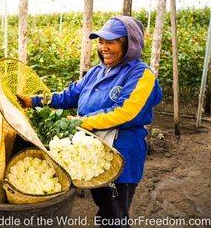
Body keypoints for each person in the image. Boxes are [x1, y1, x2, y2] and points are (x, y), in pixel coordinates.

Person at [18, 16, 162, 227]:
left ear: (129, 44)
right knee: (103, 201)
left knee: (115, 212)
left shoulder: (141, 74)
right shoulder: (97, 71)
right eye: (101, 42)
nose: (104, 47)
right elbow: (69, 95)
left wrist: (81, 122)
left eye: (111, 42)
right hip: (94, 149)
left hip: (121, 153)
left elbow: (125, 111)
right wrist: (35, 100)